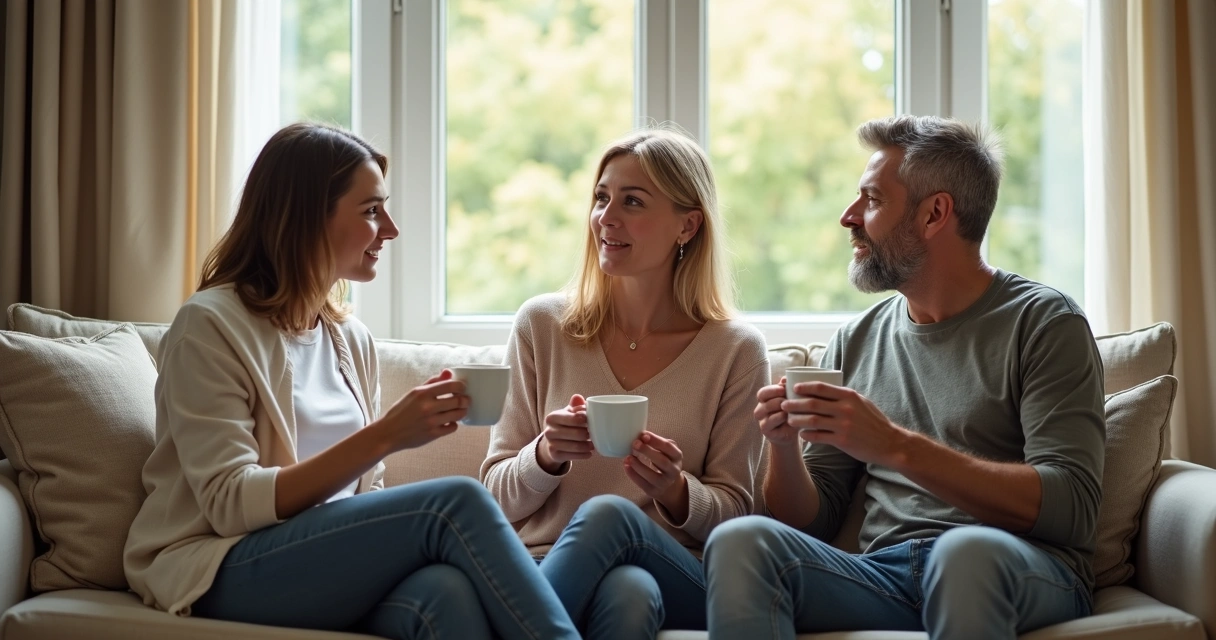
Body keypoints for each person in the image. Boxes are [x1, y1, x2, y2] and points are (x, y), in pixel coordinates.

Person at [123, 123, 579, 640]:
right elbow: (229, 504)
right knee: (457, 501)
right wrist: (385, 434)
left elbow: (367, 490)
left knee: (445, 595)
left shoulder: (349, 338)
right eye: (370, 211)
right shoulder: (210, 326)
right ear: (304, 219)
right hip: (218, 564)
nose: (390, 228)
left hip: (319, 560)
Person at [703, 115, 1106, 640]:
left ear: (935, 213)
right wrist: (781, 445)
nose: (848, 217)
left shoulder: (1045, 322)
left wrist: (894, 445)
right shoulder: (856, 339)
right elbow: (813, 520)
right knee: (742, 540)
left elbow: (1071, 508)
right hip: (886, 573)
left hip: (1018, 568)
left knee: (964, 554)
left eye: (871, 199)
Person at [480, 127, 769, 638]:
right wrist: (545, 454)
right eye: (600, 197)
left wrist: (676, 491)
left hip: (678, 567)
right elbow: (493, 497)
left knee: (611, 517)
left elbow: (736, 517)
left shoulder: (734, 350)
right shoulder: (542, 326)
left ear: (688, 225)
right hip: (551, 566)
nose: (606, 218)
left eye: (632, 201)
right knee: (630, 595)